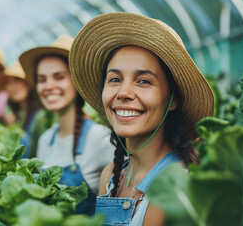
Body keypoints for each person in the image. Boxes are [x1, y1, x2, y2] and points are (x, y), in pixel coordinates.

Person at [68, 12, 214, 225]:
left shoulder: (177, 188)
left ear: (173, 100)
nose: (124, 92)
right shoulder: (111, 174)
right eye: (115, 79)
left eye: (144, 81)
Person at [19, 35, 114, 215]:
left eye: (59, 77)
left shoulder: (100, 138)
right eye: (42, 79)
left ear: (77, 82)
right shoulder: (46, 139)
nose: (49, 86)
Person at [0, 61, 41, 158]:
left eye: (17, 80)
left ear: (28, 82)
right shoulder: (15, 113)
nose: (11, 87)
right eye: (7, 83)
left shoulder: (41, 114)